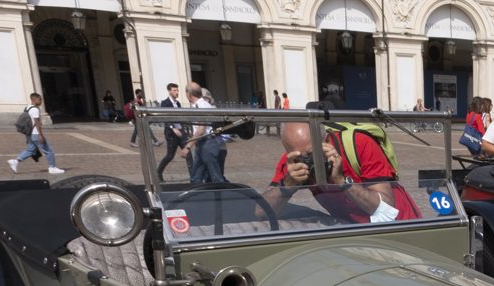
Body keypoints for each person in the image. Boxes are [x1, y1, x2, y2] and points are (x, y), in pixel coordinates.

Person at [260, 122, 420, 224]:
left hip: (401, 225)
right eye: (300, 156)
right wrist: (286, 186)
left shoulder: (361, 144)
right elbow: (261, 212)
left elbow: (386, 207)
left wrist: (342, 181)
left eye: (312, 153)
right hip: (355, 232)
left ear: (327, 139)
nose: (307, 161)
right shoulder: (292, 160)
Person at [179, 83, 225, 184]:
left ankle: (222, 198)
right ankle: (197, 197)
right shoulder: (196, 105)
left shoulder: (202, 105)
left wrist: (187, 147)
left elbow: (201, 130)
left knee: (216, 178)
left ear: (189, 93)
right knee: (196, 178)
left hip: (208, 144)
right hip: (201, 144)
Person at [9, 94, 63, 175]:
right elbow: (37, 123)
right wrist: (40, 135)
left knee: (31, 150)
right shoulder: (35, 110)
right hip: (35, 134)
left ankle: (15, 161)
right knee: (49, 150)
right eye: (40, 99)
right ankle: (52, 167)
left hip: (29, 134)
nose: (41, 101)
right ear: (34, 99)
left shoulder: (27, 108)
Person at [157, 83, 188, 182]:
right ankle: (158, 172)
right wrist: (173, 128)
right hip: (171, 134)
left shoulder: (177, 103)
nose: (177, 92)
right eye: (174, 90)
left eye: (177, 90)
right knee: (170, 155)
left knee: (188, 153)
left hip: (181, 132)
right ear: (169, 91)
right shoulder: (165, 103)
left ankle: (194, 177)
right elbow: (165, 117)